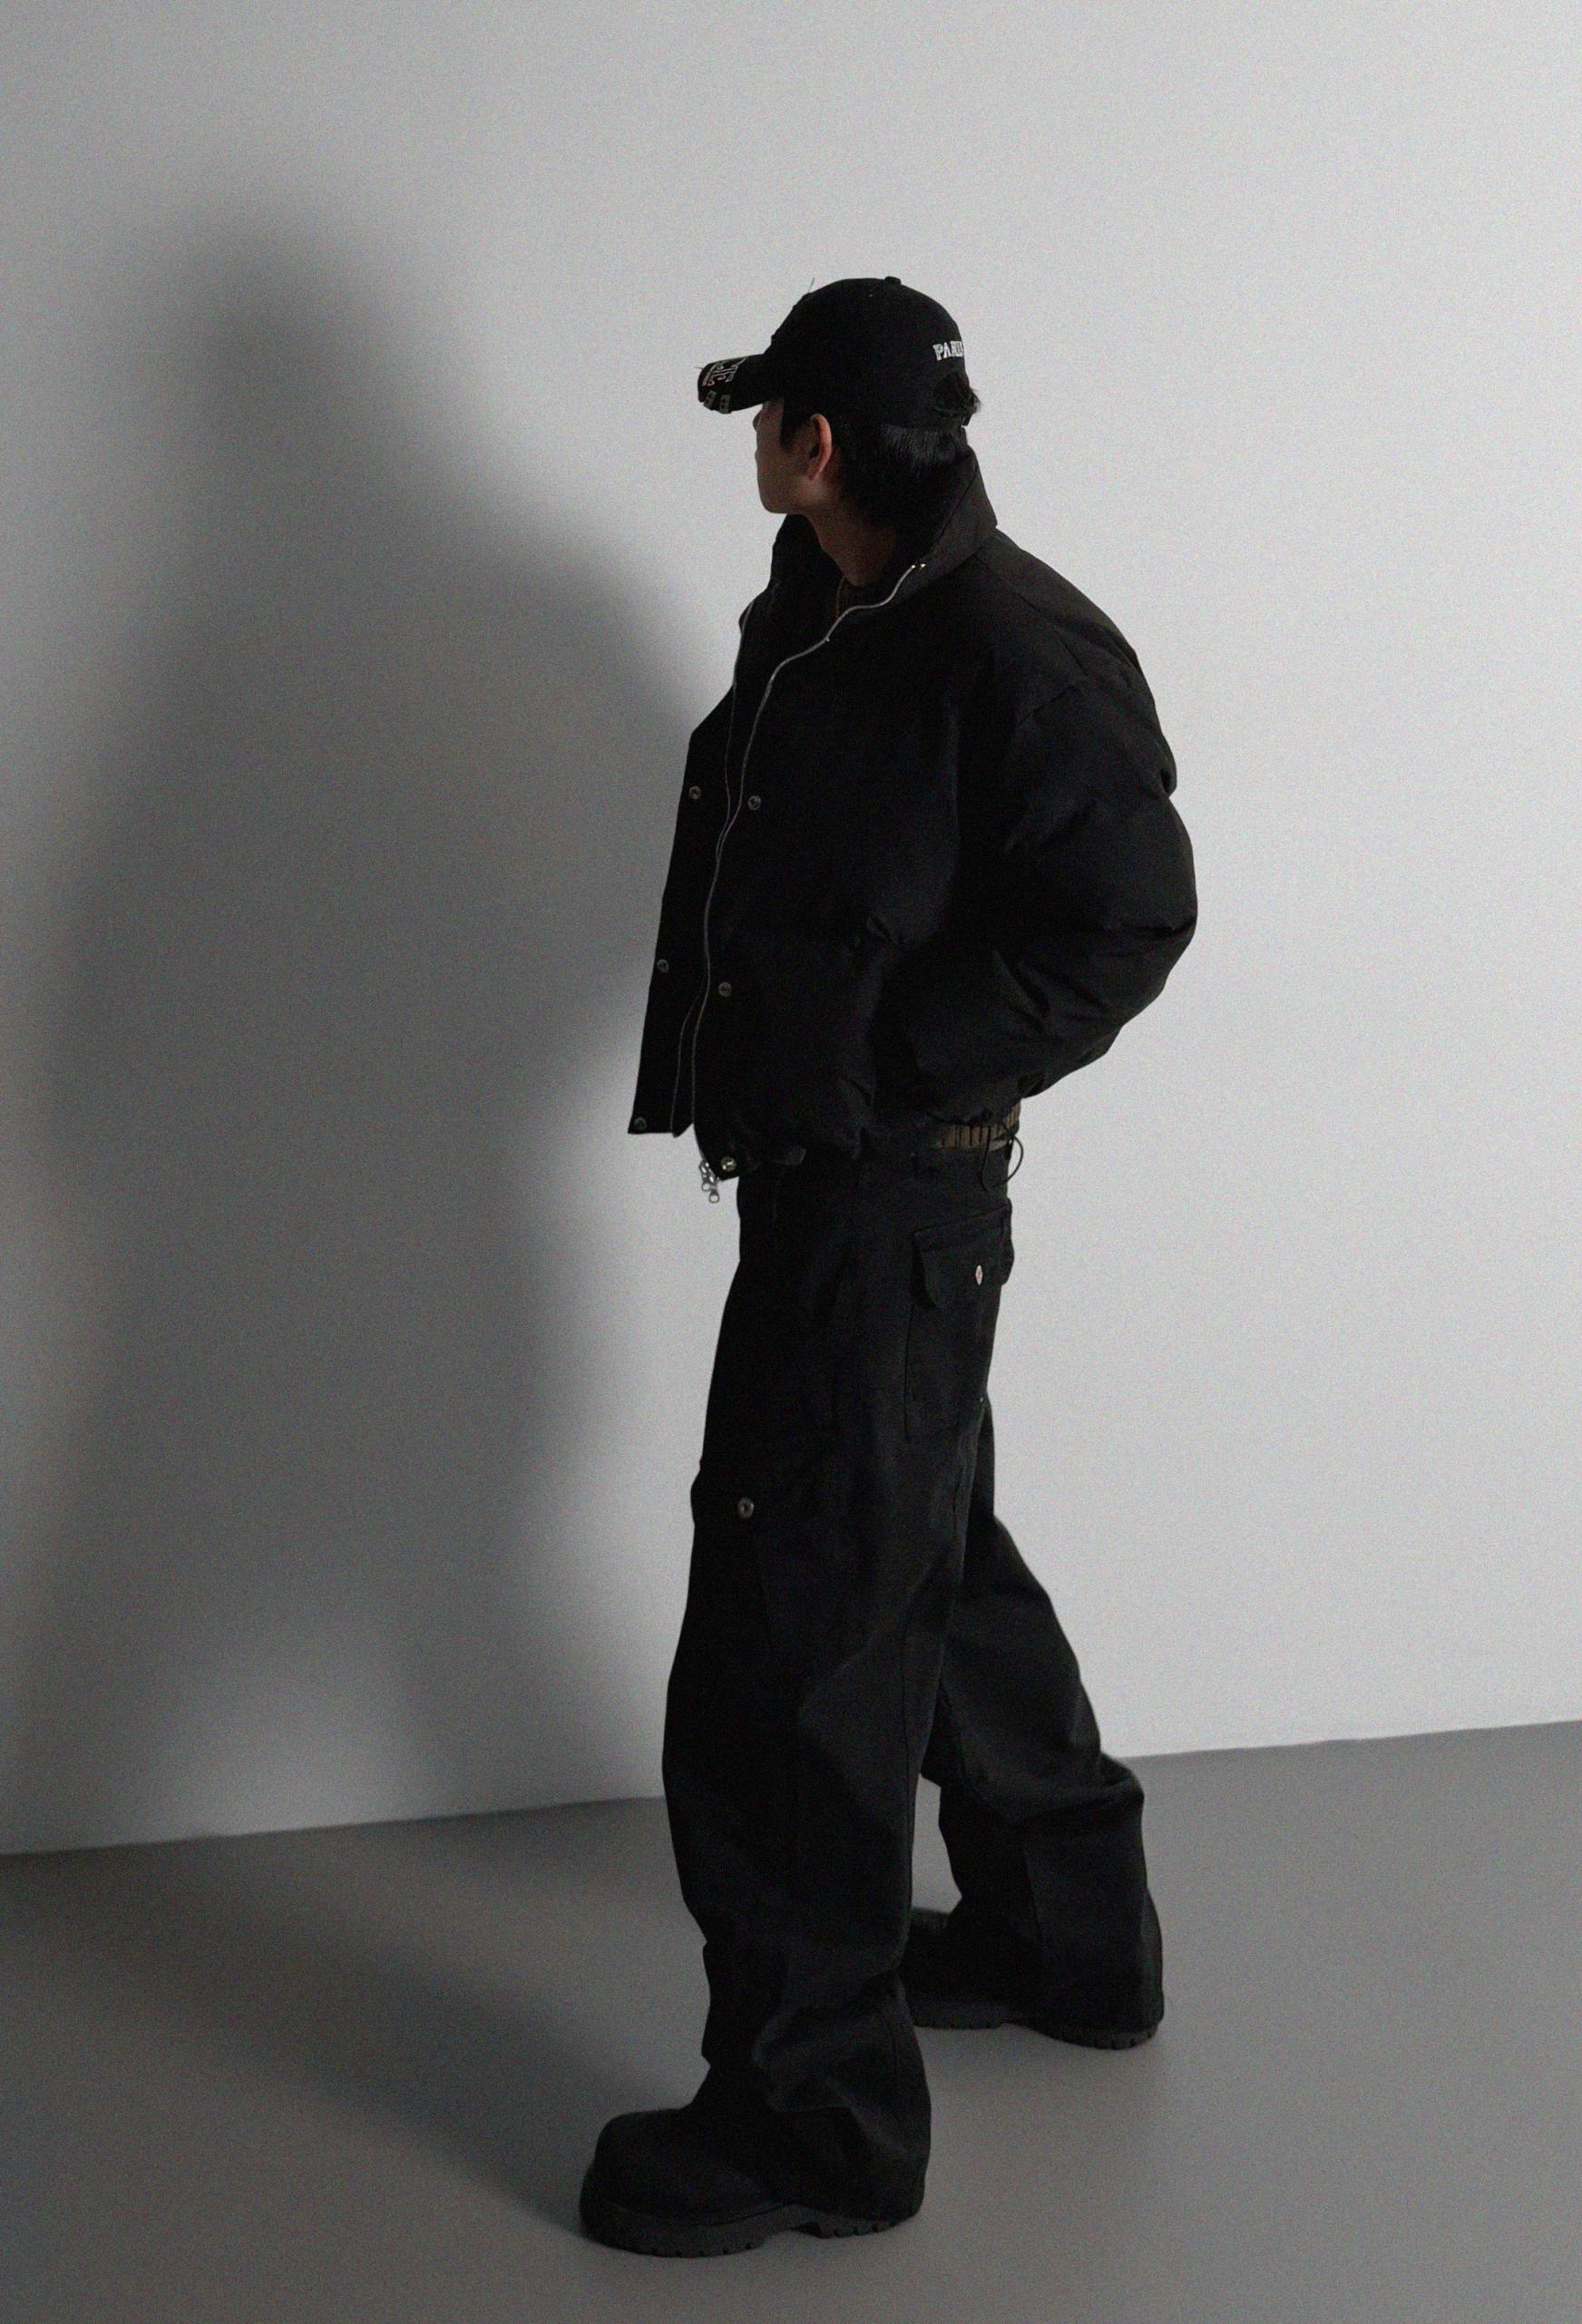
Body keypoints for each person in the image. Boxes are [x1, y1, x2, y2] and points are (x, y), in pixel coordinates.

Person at [581, 277, 1198, 2258]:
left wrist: (882, 1059)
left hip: (887, 1199)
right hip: (846, 1193)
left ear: (818, 440)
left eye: (767, 415)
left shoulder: (1011, 643)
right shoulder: (832, 605)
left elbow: (1127, 918)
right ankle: (1066, 1936)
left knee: (796, 1646)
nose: (755, 445)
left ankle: (817, 2118)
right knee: (923, 1552)